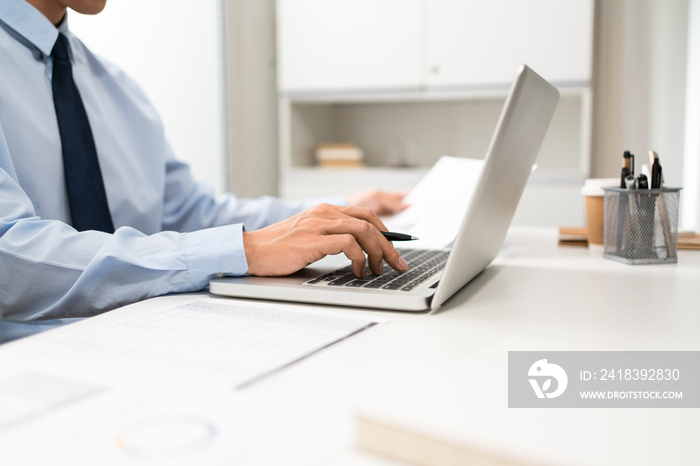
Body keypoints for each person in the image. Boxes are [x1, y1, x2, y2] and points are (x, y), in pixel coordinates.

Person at [0, 0, 409, 322]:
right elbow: (9, 258)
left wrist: (338, 214)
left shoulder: (117, 89)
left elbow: (192, 212)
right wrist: (241, 250)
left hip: (143, 335)